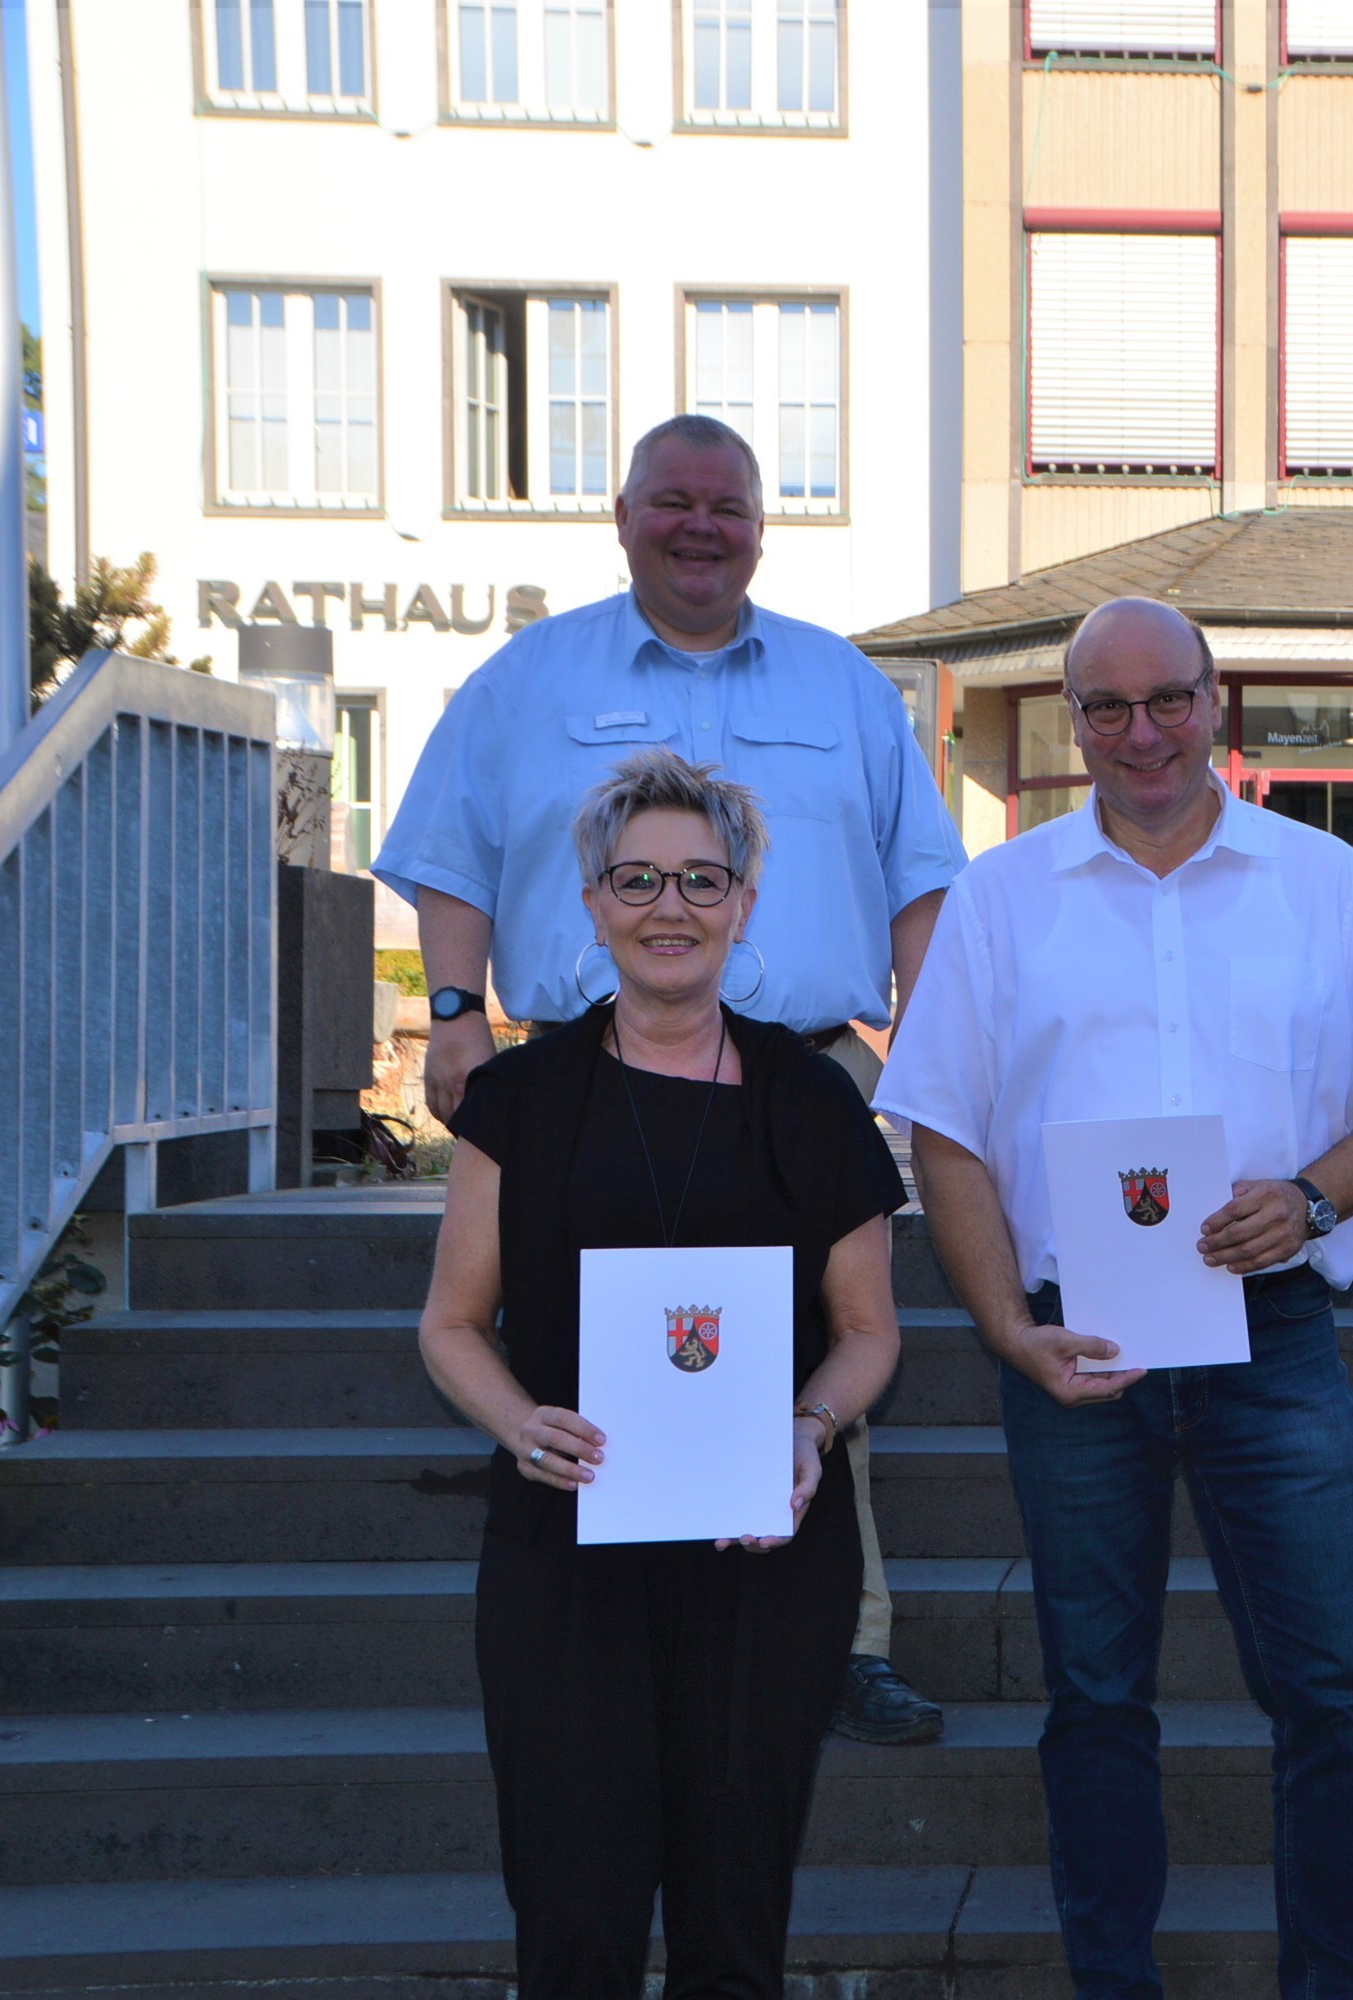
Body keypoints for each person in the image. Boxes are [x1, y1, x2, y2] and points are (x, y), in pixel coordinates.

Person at [874, 597, 1353, 2000]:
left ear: (1217, 704)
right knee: (1093, 1699)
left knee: (1333, 1697)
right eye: (1108, 708)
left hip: (1274, 1330)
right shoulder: (1003, 898)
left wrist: (1316, 1198)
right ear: (1073, 723)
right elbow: (941, 1130)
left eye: (1170, 700)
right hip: (1079, 1340)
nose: (1143, 733)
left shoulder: (1326, 884)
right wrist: (1005, 1325)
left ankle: (1329, 1985)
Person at [376, 412, 965, 1748]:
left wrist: (924, 1058)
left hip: (795, 1082)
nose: (701, 528)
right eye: (673, 503)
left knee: (820, 1354)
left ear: (764, 525)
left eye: (729, 506)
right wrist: (457, 1018)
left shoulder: (843, 688)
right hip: (586, 1081)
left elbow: (923, 880)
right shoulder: (529, 677)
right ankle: (594, 1619)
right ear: (624, 514)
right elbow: (453, 857)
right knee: (577, 1347)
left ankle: (844, 1636)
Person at [416, 748, 908, 1998]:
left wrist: (810, 1425)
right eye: (637, 879)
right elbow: (452, 1324)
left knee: (732, 1925)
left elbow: (868, 1331)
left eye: (700, 878)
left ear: (743, 902)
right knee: (572, 1922)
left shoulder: (813, 1098)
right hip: (564, 1547)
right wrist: (520, 1422)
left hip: (762, 1550)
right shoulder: (518, 1100)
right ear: (591, 903)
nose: (669, 907)